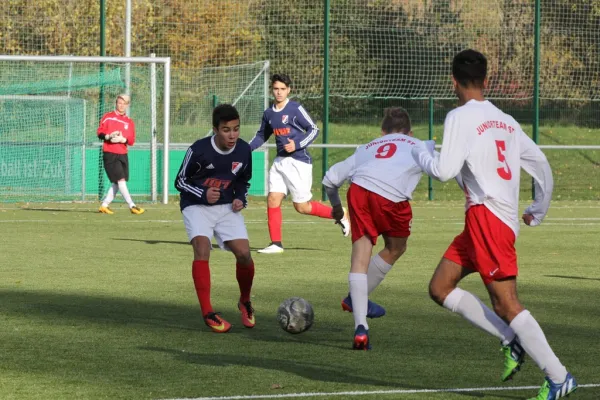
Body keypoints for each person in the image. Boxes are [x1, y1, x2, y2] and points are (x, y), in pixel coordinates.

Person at [411, 49, 577, 400]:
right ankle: (509, 338)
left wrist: (420, 152)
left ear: (453, 82)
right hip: (482, 220)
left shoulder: (459, 117)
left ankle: (559, 376)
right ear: (486, 81)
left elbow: (443, 171)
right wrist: (538, 208)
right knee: (440, 287)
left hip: (489, 218)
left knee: (506, 302)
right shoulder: (506, 120)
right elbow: (541, 164)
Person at [322, 107, 433, 350]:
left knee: (360, 258)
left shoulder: (367, 148)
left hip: (359, 190)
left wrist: (338, 208)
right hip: (391, 198)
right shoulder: (418, 143)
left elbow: (330, 179)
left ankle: (361, 328)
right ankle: (355, 298)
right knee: (396, 247)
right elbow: (443, 168)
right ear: (410, 132)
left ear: (382, 132)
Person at [175, 104, 255, 333]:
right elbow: (179, 181)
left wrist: (240, 198)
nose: (232, 135)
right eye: (226, 130)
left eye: (236, 129)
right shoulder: (199, 150)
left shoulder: (243, 150)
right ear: (215, 130)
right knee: (202, 248)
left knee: (244, 255)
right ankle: (208, 312)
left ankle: (245, 301)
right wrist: (202, 193)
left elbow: (243, 181)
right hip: (196, 206)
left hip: (226, 207)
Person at [249, 73, 350, 254]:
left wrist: (297, 144)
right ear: (272, 90)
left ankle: (340, 214)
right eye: (275, 89)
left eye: (282, 89)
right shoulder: (269, 113)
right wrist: (246, 148)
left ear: (288, 90)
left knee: (302, 207)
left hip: (298, 162)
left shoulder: (294, 108)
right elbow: (261, 135)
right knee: (273, 198)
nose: (279, 92)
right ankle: (276, 244)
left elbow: (314, 129)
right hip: (279, 162)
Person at [97, 94, 145, 215]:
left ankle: (104, 205)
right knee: (120, 180)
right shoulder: (108, 117)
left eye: (124, 103)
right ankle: (132, 205)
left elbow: (132, 140)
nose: (121, 105)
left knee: (117, 182)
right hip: (110, 153)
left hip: (122, 153)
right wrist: (108, 136)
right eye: (119, 103)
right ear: (116, 103)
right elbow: (100, 132)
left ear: (127, 105)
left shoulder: (129, 122)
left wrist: (123, 140)